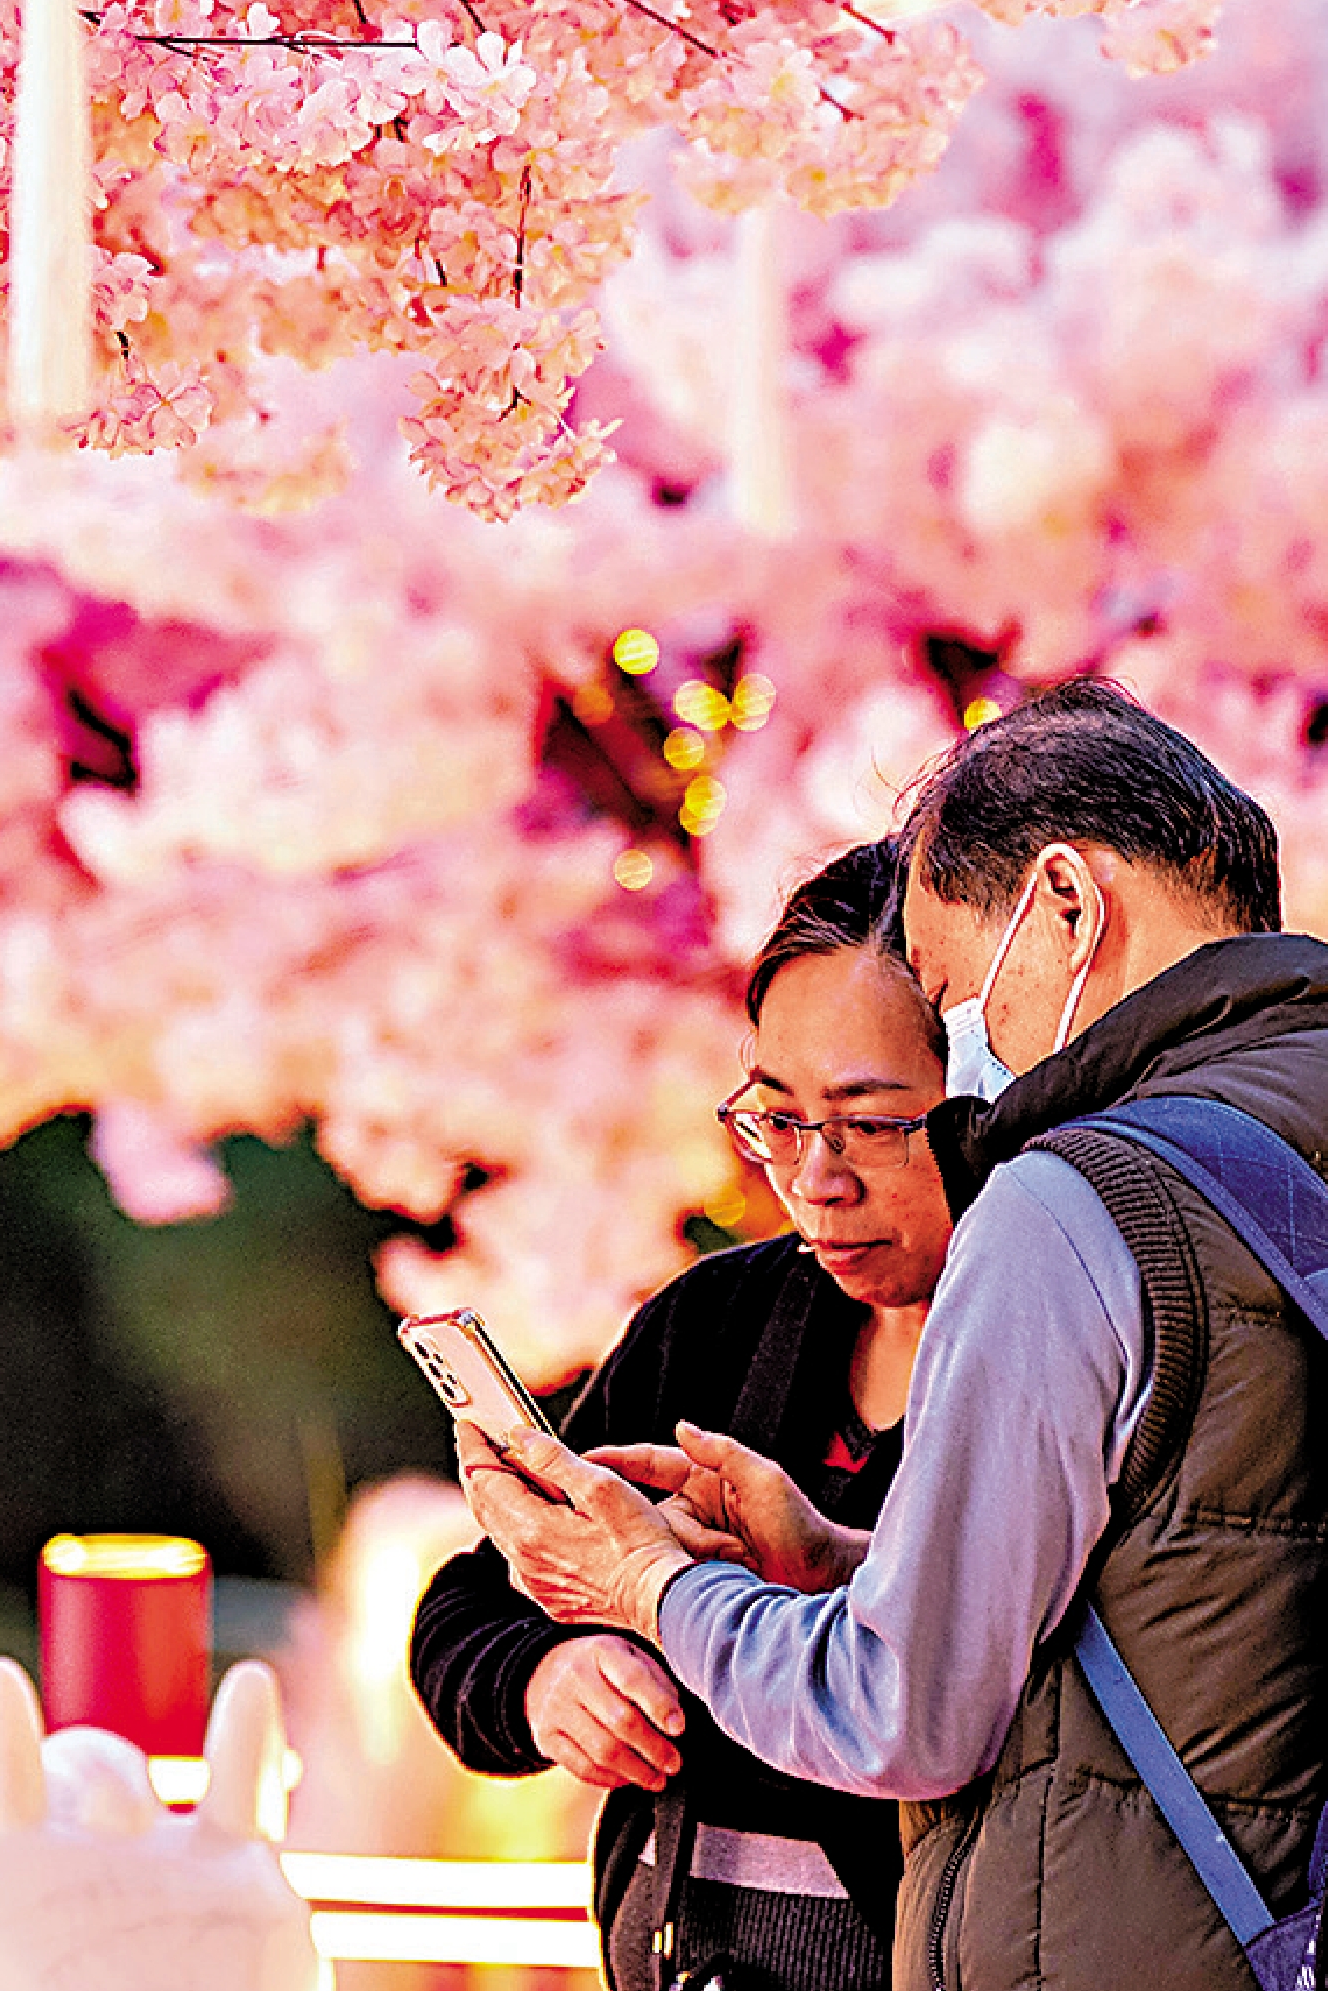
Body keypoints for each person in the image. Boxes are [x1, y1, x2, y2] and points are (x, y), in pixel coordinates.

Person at [467, 677, 1328, 1991]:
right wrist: (846, 1559)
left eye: (957, 997)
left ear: (1066, 901)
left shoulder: (1069, 1199)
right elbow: (1207, 1588)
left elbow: (901, 1714)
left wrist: (645, 1584)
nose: (977, 1061)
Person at [409, 841, 961, 1991]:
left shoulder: (1049, 1359)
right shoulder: (719, 1322)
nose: (815, 1179)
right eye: (776, 1120)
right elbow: (466, 1610)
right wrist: (547, 1681)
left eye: (869, 1123)